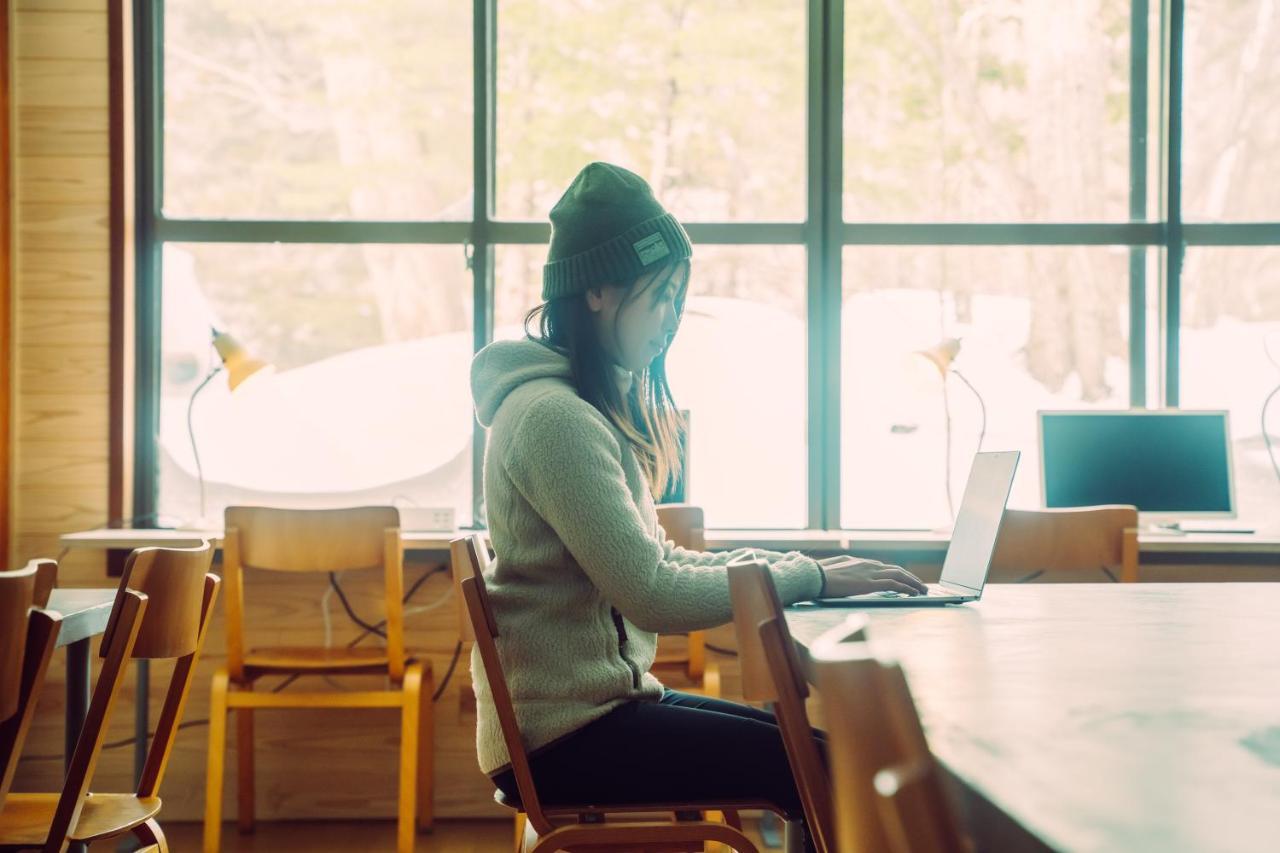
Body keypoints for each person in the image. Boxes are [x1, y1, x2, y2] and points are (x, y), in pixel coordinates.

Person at [469, 161, 927, 850]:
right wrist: (814, 576)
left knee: (818, 748)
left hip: (593, 711)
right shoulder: (554, 419)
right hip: (567, 734)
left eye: (679, 299)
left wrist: (800, 565)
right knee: (825, 763)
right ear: (597, 289)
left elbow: (656, 561)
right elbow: (653, 593)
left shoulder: (571, 408)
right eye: (660, 297)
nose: (671, 321)